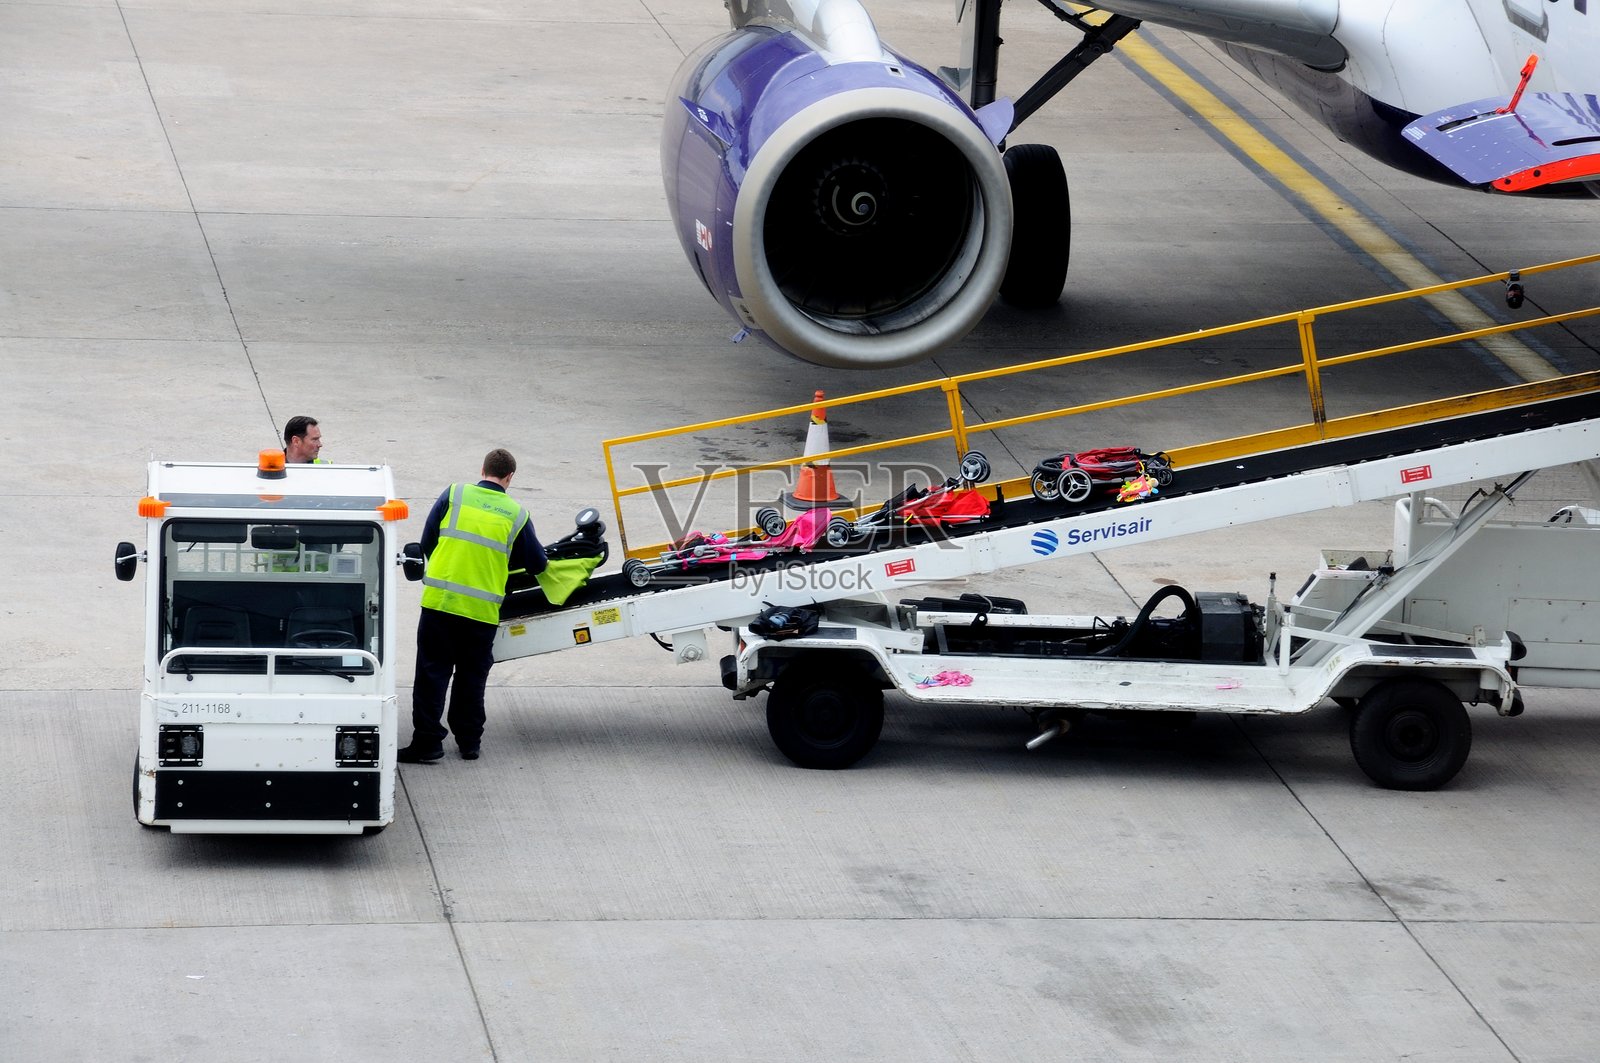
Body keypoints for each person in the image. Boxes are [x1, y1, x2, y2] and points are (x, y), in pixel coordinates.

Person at [398, 448, 547, 763]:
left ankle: (427, 743)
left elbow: (426, 543)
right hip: (481, 613)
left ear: (482, 470)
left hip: (441, 602)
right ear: (509, 477)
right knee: (471, 678)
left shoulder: (455, 494)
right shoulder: (516, 514)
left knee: (432, 674)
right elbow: (537, 563)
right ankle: (469, 743)